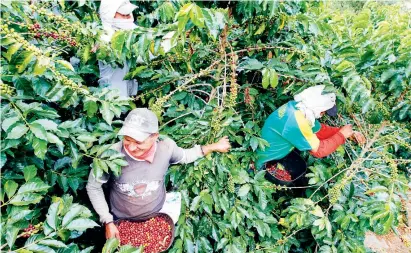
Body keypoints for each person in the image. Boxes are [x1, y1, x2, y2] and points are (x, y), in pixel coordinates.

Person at [86, 108, 231, 239]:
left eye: (138, 142)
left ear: (154, 136)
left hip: (156, 215)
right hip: (121, 219)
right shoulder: (110, 155)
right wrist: (107, 220)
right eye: (127, 139)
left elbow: (185, 156)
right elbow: (93, 187)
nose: (131, 147)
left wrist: (214, 147)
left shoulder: (166, 148)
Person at [256, 85, 365, 170]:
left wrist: (349, 133)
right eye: (323, 111)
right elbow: (319, 150)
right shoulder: (297, 121)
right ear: (317, 108)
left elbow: (320, 130)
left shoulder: (298, 108)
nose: (323, 114)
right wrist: (341, 135)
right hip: (264, 164)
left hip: (275, 155)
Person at [98, 0, 139, 98]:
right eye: (123, 15)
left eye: (128, 15)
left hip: (128, 93)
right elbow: (140, 56)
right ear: (109, 15)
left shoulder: (129, 32)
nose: (126, 18)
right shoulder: (105, 39)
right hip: (112, 98)